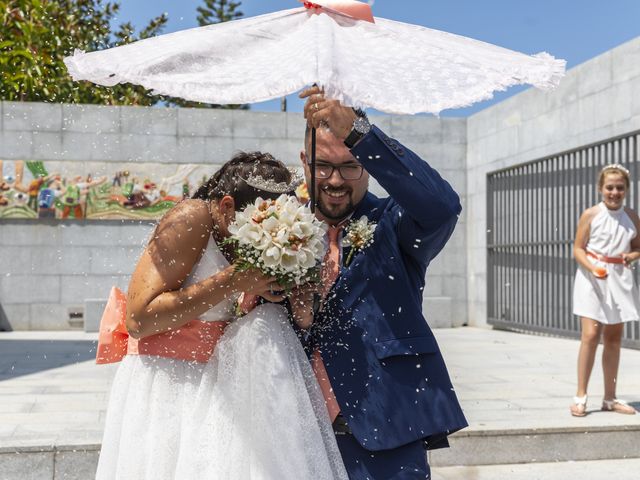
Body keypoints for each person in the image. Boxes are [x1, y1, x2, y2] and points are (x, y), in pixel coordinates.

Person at [96, 151, 347, 480]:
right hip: (169, 381)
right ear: (227, 206)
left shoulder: (245, 235)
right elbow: (138, 320)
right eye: (261, 223)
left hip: (222, 380)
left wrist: (297, 297)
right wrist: (235, 279)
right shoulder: (191, 217)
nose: (268, 234)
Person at [291, 86, 468, 479]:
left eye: (350, 165)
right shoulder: (275, 230)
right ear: (304, 162)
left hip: (387, 430)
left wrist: (360, 133)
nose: (336, 180)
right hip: (293, 434)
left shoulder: (396, 224)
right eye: (324, 166)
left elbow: (443, 208)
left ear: (369, 164)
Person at [570, 164, 640, 417]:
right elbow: (578, 248)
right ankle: (580, 396)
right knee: (590, 335)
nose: (614, 192)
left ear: (626, 190)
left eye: (620, 188)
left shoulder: (632, 216)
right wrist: (593, 268)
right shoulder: (590, 214)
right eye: (609, 187)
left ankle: (610, 398)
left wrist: (631, 255)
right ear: (601, 188)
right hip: (592, 277)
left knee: (613, 338)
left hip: (619, 279)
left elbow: (638, 247)